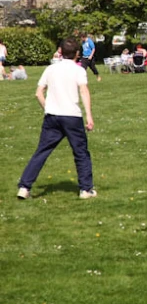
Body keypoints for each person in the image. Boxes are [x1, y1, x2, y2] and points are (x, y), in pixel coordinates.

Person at [16, 38, 97, 200]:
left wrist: (48, 108)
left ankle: (24, 187)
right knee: (80, 152)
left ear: (60, 51)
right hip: (72, 116)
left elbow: (38, 93)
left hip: (52, 116)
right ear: (77, 54)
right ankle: (86, 189)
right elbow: (84, 91)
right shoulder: (79, 70)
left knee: (42, 151)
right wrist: (89, 115)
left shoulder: (51, 69)